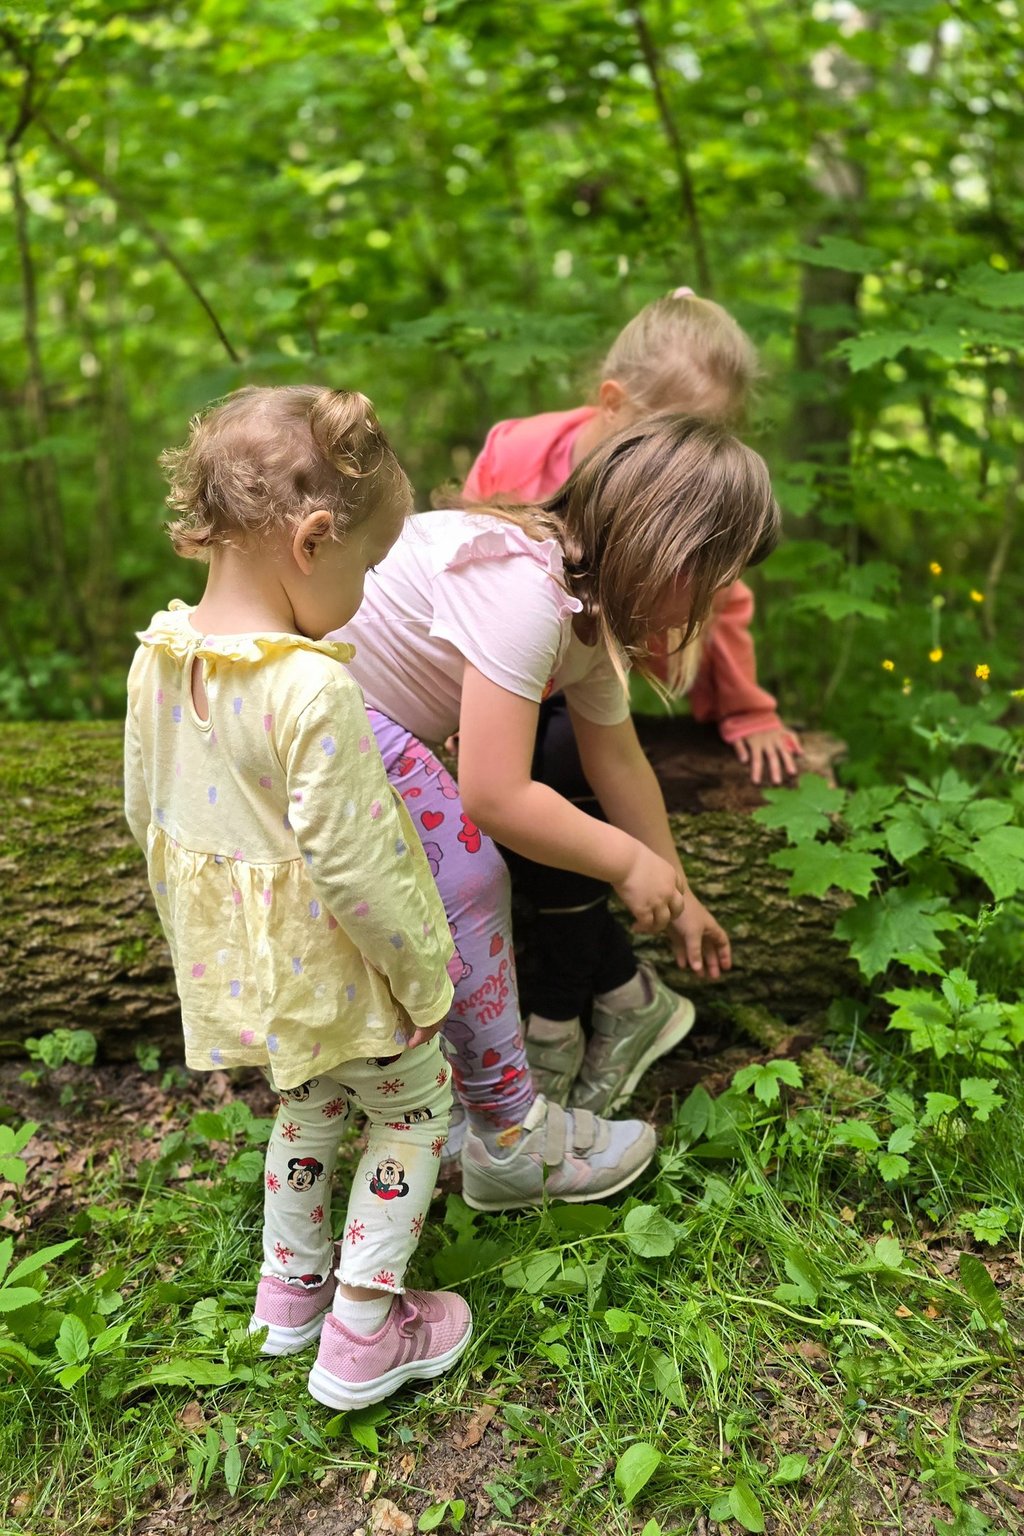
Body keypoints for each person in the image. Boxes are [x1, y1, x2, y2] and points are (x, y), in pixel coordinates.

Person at [123, 385, 471, 1411]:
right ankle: (367, 1325)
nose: (362, 593)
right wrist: (421, 973)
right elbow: (355, 863)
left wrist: (198, 943)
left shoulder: (160, 658)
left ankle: (289, 1290)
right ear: (312, 541)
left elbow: (148, 812)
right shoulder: (310, 687)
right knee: (412, 1111)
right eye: (364, 567)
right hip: (345, 967)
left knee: (310, 1100)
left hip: (248, 971)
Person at [334, 413, 781, 1206]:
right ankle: (504, 1128)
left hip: (352, 730)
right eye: (708, 579)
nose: (708, 606)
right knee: (471, 873)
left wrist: (677, 891)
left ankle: (458, 1105)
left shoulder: (583, 609)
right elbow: (496, 793)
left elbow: (620, 764)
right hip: (310, 717)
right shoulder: (527, 589)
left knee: (457, 875)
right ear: (664, 546)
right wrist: (626, 862)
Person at [461, 290, 802, 1115]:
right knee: (530, 773)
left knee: (568, 757)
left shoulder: (622, 604)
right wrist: (631, 864)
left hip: (577, 671)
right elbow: (467, 578)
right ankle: (589, 1000)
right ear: (614, 407)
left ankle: (569, 1015)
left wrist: (746, 706)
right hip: (498, 677)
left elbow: (718, 609)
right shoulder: (522, 463)